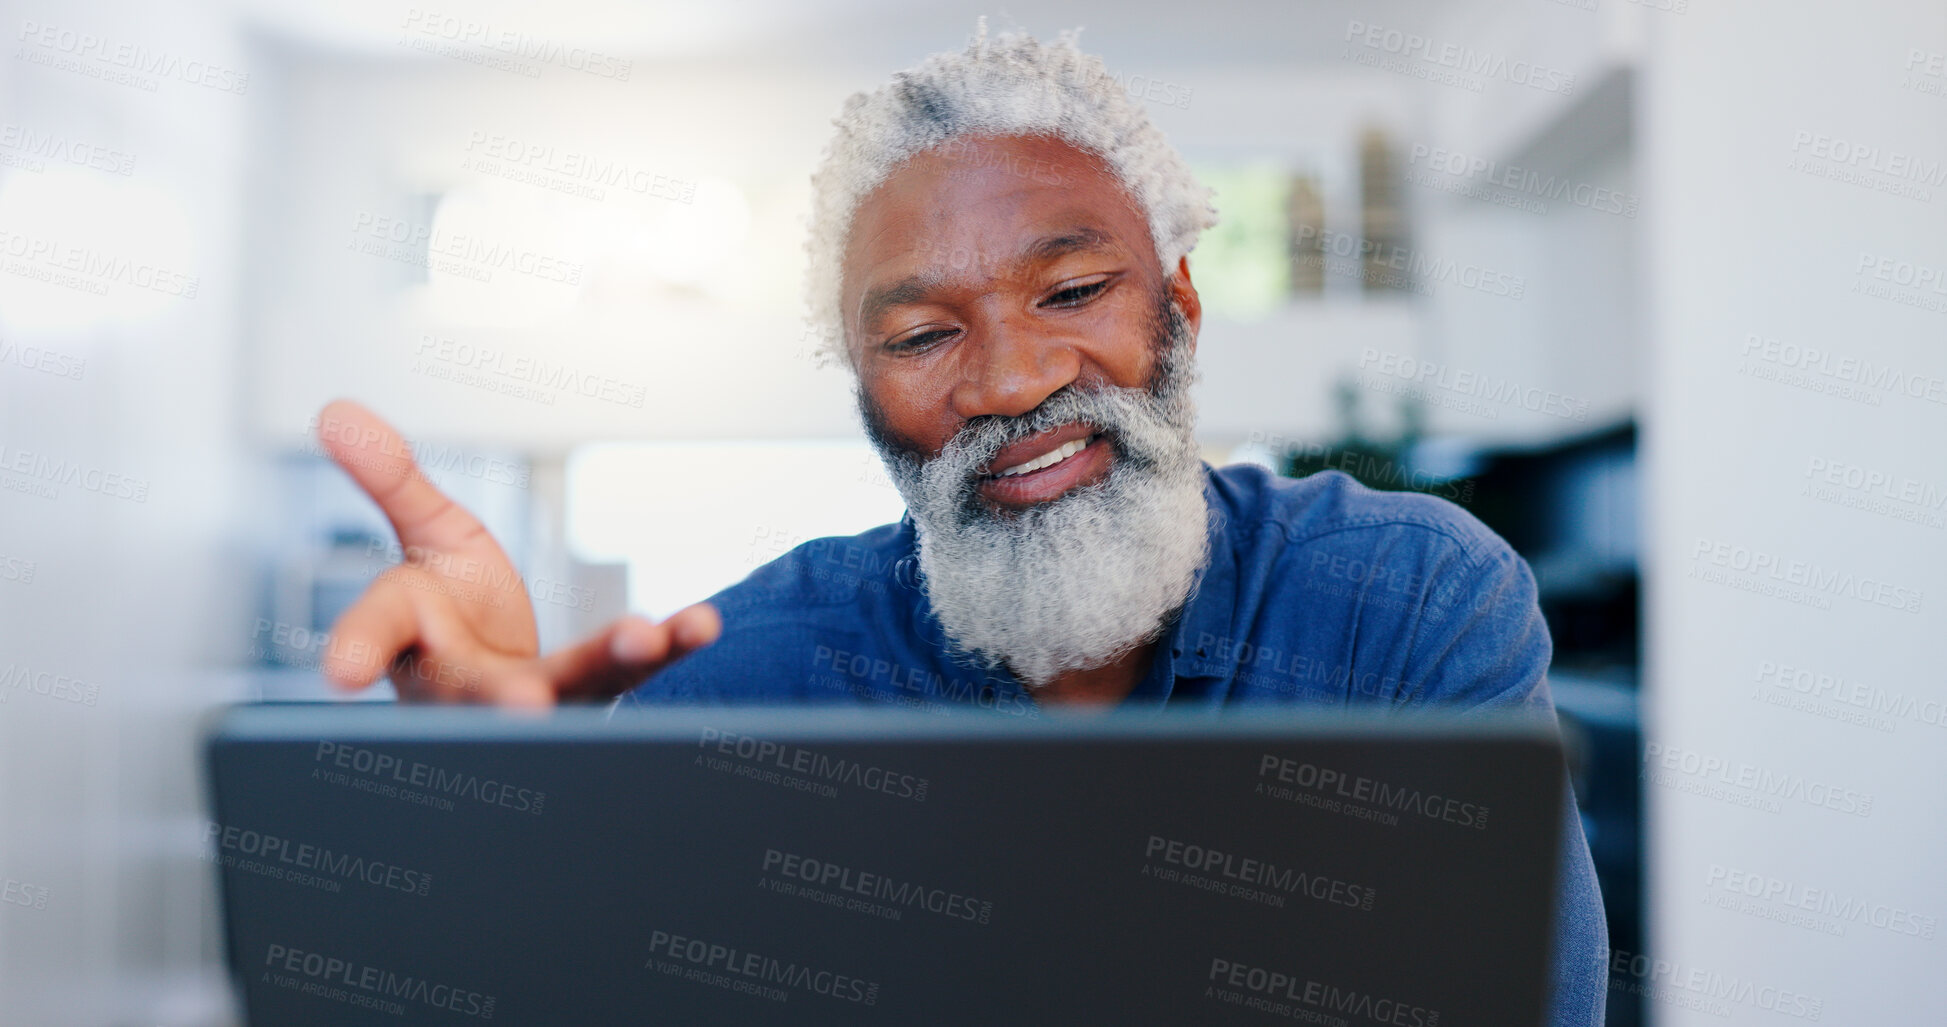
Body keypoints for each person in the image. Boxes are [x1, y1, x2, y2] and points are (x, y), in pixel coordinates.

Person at [312, 26, 1607, 1026]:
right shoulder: (745, 687)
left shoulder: (1405, 607)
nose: (1009, 382)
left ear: (1183, 305)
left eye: (1076, 289)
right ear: (864, 395)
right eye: (925, 334)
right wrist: (492, 820)